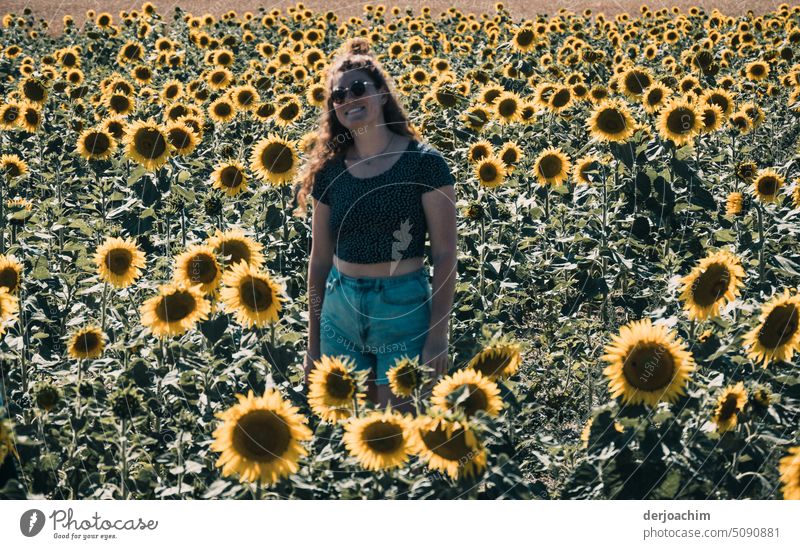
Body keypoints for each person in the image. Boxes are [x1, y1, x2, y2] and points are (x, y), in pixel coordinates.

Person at [294, 38, 457, 413]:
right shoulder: (329, 172)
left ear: (382, 94)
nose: (348, 98)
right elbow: (319, 262)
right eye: (338, 95)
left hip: (402, 306)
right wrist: (313, 343)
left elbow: (446, 255)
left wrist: (437, 336)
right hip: (339, 308)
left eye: (358, 88)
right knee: (344, 429)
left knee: (397, 429)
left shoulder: (424, 164)